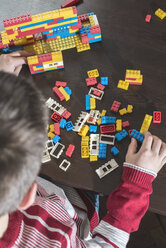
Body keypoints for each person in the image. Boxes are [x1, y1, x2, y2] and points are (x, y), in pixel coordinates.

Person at [0, 52, 166, 248]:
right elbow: (110, 242)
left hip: (43, 187)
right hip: (76, 207)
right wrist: (137, 180)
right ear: (27, 193)